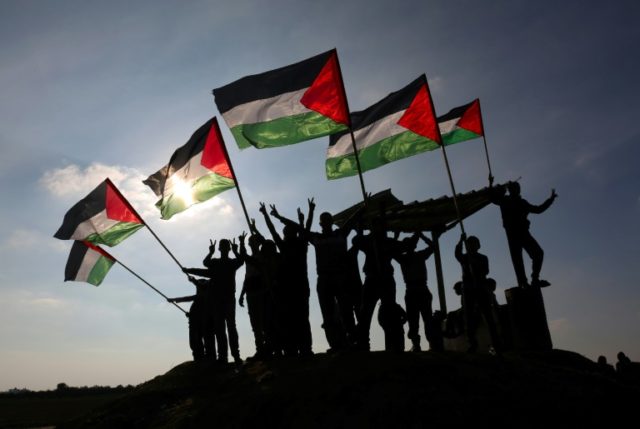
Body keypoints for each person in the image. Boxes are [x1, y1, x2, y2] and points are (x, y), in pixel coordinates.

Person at [271, 199, 359, 352]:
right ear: (321, 223)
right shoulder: (316, 237)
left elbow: (351, 221)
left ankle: (350, 342)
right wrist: (279, 217)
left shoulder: (340, 233)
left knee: (346, 312)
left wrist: (364, 207)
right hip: (324, 279)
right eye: (323, 220)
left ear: (331, 221)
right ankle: (335, 344)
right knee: (328, 314)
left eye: (327, 220)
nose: (325, 222)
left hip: (340, 278)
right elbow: (298, 227)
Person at [260, 202, 313, 357]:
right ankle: (296, 348)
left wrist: (309, 213)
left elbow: (306, 228)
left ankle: (304, 348)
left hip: (299, 287)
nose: (286, 233)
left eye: (288, 231)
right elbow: (273, 231)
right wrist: (266, 216)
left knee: (301, 318)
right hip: (289, 288)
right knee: (293, 319)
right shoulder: (291, 245)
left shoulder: (300, 244)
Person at [184, 238, 244, 364]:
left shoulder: (228, 263)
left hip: (226, 299)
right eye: (223, 246)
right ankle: (224, 357)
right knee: (221, 329)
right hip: (219, 300)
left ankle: (233, 356)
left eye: (224, 245)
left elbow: (240, 261)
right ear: (223, 248)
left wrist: (235, 250)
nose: (224, 248)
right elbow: (205, 266)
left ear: (224, 248)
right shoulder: (221, 263)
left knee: (229, 328)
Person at [490, 181, 557, 288]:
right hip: (513, 234)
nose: (517, 190)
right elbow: (492, 198)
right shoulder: (505, 200)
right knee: (518, 260)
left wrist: (550, 200)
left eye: (517, 188)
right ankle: (523, 283)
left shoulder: (521, 203)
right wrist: (491, 184)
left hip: (523, 233)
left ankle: (534, 279)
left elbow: (538, 209)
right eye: (514, 188)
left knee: (538, 253)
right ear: (510, 190)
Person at [352, 217, 404, 351]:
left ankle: (393, 344)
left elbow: (404, 246)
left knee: (390, 311)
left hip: (386, 279)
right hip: (372, 279)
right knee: (365, 313)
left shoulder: (388, 242)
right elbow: (356, 241)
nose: (378, 228)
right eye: (375, 225)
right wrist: (362, 233)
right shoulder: (369, 241)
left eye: (380, 225)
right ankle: (363, 343)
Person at [394, 232, 441, 352]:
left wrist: (419, 236)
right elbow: (433, 246)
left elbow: (433, 246)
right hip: (417, 289)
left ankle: (423, 344)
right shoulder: (412, 256)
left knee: (420, 319)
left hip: (416, 290)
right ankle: (420, 344)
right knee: (420, 319)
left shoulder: (408, 257)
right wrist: (421, 236)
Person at [454, 234, 501, 353]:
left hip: (480, 287)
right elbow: (457, 254)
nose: (472, 246)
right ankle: (472, 344)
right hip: (468, 290)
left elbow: (486, 270)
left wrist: (474, 263)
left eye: (474, 244)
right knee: (468, 317)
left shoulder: (483, 258)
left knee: (488, 316)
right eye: (469, 244)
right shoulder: (464, 258)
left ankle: (496, 344)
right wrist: (460, 241)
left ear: (478, 246)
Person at [167, 276, 216, 361]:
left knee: (202, 341)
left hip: (201, 323)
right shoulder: (202, 297)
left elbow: (188, 298)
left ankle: (205, 358)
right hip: (195, 321)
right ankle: (201, 357)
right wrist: (190, 314)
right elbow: (189, 299)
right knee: (197, 341)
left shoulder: (205, 297)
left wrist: (174, 299)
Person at [238, 229, 268, 360]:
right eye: (250, 242)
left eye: (252, 242)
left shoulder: (263, 255)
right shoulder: (248, 259)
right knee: (255, 323)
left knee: (264, 321)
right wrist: (242, 294)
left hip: (261, 290)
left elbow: (264, 241)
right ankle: (260, 349)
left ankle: (268, 349)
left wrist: (255, 229)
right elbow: (247, 276)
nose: (251, 244)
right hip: (250, 291)